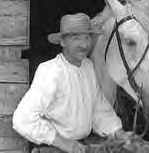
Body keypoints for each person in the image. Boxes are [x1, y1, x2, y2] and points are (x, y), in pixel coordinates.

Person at [12, 13, 130, 153]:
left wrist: (117, 132)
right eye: (76, 38)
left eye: (87, 37)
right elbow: (23, 119)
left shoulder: (88, 67)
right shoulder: (51, 71)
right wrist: (63, 143)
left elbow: (99, 110)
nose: (84, 44)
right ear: (62, 41)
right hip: (53, 148)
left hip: (81, 146)